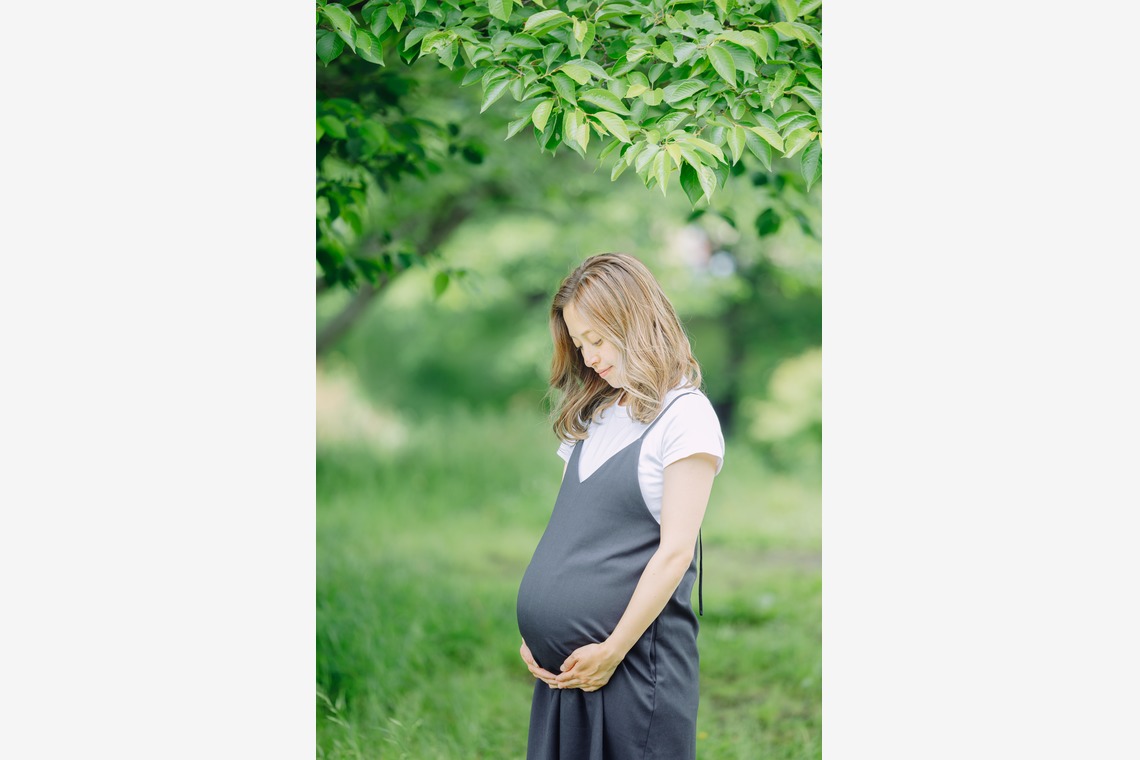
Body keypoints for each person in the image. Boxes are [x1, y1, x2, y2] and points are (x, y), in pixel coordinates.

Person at [516, 253, 725, 759]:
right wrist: (539, 635)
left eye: (597, 340)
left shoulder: (684, 416)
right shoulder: (597, 415)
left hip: (631, 669)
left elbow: (675, 554)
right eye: (578, 343)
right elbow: (570, 535)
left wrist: (611, 651)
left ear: (634, 323)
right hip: (564, 674)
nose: (588, 357)